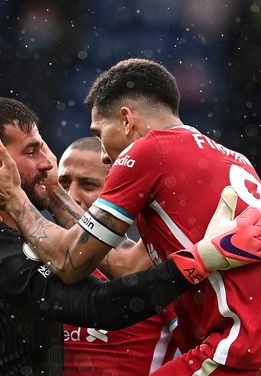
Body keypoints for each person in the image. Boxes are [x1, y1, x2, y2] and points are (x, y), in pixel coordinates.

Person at [0, 58, 261, 375]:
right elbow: (128, 267)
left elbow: (69, 262)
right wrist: (55, 198)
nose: (103, 154)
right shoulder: (225, 159)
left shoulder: (148, 151)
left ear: (128, 120)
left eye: (100, 134)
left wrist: (15, 200)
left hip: (247, 347)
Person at [0, 95, 261, 375]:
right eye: (32, 151)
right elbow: (102, 303)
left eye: (88, 185)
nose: (47, 167)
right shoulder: (20, 257)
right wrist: (202, 257)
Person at [58, 137, 178, 375]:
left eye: (88, 185)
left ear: (119, 193)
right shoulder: (39, 261)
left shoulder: (161, 264)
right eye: (62, 184)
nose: (70, 197)